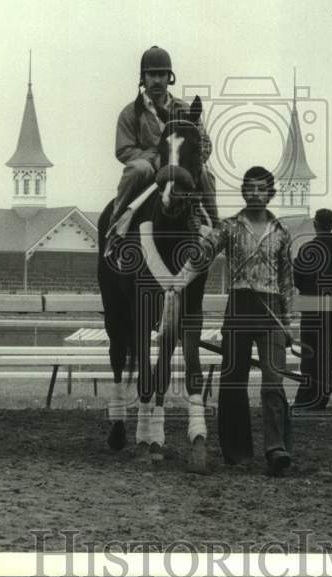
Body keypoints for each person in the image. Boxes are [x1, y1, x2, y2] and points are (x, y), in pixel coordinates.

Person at [170, 166, 295, 476]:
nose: (254, 194)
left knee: (273, 381)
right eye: (249, 188)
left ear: (270, 194)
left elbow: (287, 280)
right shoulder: (228, 227)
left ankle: (276, 449)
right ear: (243, 192)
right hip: (239, 307)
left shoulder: (281, 233)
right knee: (233, 381)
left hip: (272, 311)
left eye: (261, 189)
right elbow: (203, 254)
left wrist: (289, 323)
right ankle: (237, 454)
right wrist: (175, 285)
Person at [107, 46, 218, 249]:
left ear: (170, 77)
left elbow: (204, 142)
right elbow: (123, 149)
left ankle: (216, 230)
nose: (157, 80)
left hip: (181, 169)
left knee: (206, 176)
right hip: (149, 169)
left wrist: (193, 162)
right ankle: (116, 225)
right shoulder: (130, 113)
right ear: (143, 78)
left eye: (162, 74)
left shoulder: (185, 109)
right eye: (152, 75)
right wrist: (154, 158)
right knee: (137, 169)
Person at [292, 208, 332, 410]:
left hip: (311, 306)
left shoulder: (307, 248)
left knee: (309, 354)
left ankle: (307, 396)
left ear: (315, 224)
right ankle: (321, 396)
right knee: (326, 353)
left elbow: (297, 279)